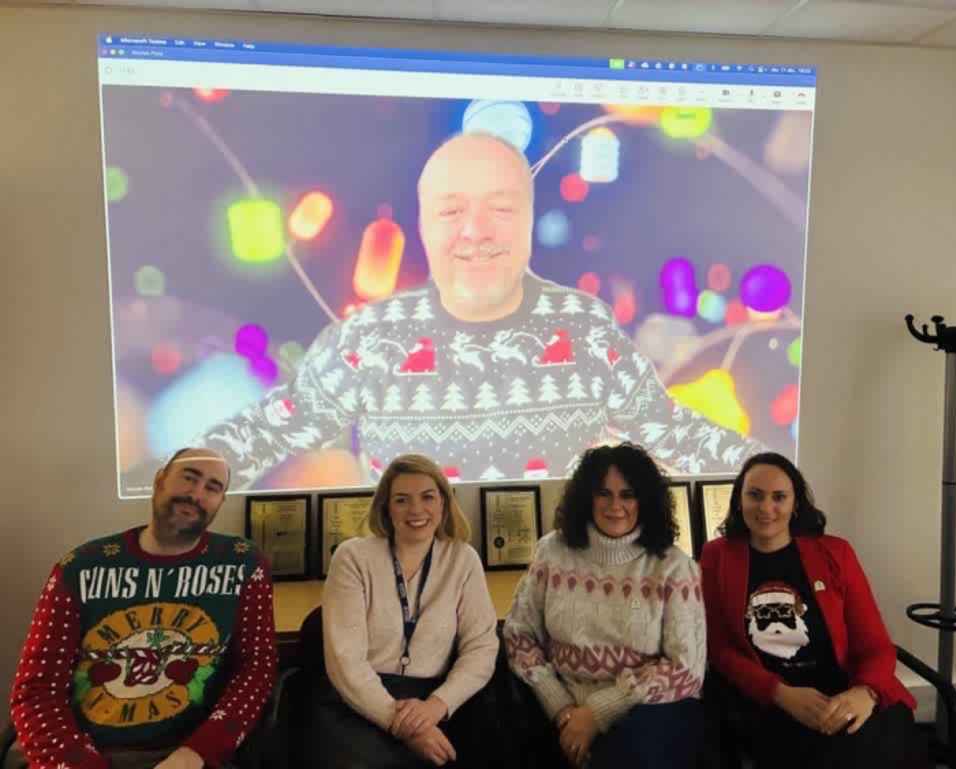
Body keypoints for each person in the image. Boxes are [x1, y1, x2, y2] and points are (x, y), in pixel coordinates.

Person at [139, 131, 757, 495]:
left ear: (528, 218)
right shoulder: (371, 337)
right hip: (409, 622)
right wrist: (182, 480)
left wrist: (775, 479)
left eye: (500, 208)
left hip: (558, 610)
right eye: (451, 210)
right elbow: (270, 428)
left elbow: (673, 430)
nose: (476, 231)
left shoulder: (584, 327)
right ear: (423, 223)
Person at [7, 448, 277, 769]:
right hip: (87, 751)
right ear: (159, 480)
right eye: (189, 478)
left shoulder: (243, 564)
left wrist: (197, 754)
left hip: (188, 754)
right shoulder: (80, 568)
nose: (196, 494)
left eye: (212, 487)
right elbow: (36, 690)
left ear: (220, 501)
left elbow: (256, 670)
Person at [699, 452, 929, 769]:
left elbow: (875, 644)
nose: (766, 507)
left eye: (779, 497)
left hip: (843, 690)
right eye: (755, 495)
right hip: (766, 698)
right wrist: (780, 693)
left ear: (795, 503)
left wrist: (866, 693)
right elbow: (719, 649)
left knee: (883, 742)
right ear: (739, 500)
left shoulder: (836, 553)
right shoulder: (717, 556)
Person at [503, 442, 705, 769]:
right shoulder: (551, 552)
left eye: (628, 495)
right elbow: (518, 635)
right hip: (561, 705)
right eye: (603, 494)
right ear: (587, 497)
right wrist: (562, 710)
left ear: (645, 500)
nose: (615, 506)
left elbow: (686, 668)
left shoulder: (674, 566)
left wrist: (596, 714)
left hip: (647, 711)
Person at [312, 454, 499, 768]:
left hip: (437, 700)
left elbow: (481, 647)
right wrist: (403, 724)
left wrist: (436, 707)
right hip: (360, 701)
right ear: (386, 507)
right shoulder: (353, 557)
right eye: (402, 500)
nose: (416, 510)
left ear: (443, 502)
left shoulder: (463, 559)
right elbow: (346, 662)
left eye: (427, 497)